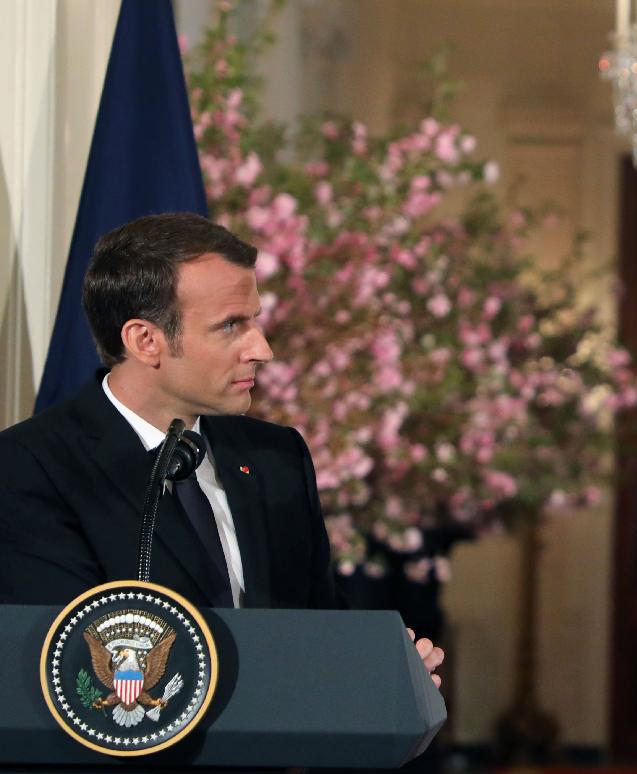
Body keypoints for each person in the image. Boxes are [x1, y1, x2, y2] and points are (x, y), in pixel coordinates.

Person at [0, 212, 444, 686]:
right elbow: (73, 670)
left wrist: (378, 675)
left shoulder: (277, 458)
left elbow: (316, 628)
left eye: (254, 321)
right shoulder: (30, 469)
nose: (262, 349)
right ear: (145, 340)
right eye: (231, 325)